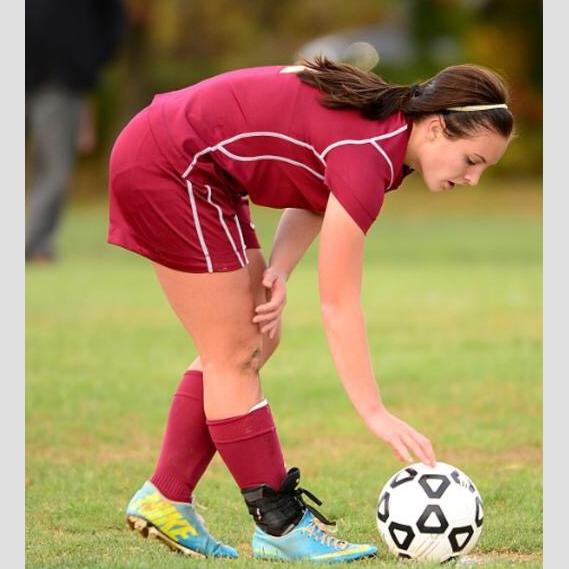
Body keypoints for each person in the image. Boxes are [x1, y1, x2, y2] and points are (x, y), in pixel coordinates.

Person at [107, 57, 514, 561]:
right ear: (435, 128)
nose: (473, 178)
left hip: (203, 171)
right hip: (170, 164)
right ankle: (279, 524)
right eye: (471, 160)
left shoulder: (384, 139)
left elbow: (317, 185)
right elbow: (339, 303)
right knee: (234, 351)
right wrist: (373, 410)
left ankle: (166, 496)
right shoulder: (371, 152)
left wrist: (279, 267)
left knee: (255, 337)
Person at [25, 0, 127, 263]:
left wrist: (86, 63)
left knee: (55, 168)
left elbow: (114, 21)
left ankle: (35, 244)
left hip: (63, 81)